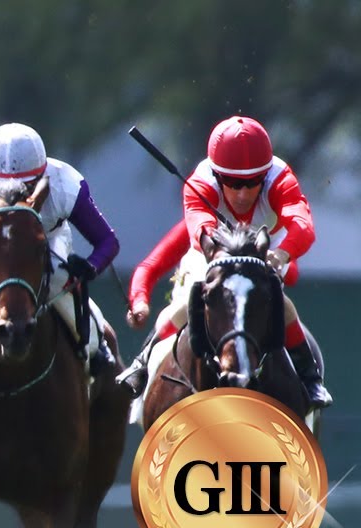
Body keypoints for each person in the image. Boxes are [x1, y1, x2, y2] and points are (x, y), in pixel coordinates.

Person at [116, 115, 330, 409]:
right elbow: (199, 224)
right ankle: (142, 363)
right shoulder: (200, 182)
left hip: (265, 250)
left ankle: (310, 378)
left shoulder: (281, 178)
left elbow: (302, 224)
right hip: (213, 253)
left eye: (253, 183)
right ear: (217, 176)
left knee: (281, 304)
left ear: (265, 175)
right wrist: (212, 247)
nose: (242, 194)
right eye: (232, 183)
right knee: (183, 306)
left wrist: (282, 254)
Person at [0, 123, 120, 374]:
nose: (16, 195)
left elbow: (108, 241)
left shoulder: (65, 185)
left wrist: (90, 267)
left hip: (46, 239)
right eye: (3, 188)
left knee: (58, 273)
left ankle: (96, 345)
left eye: (27, 187)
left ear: (42, 175)